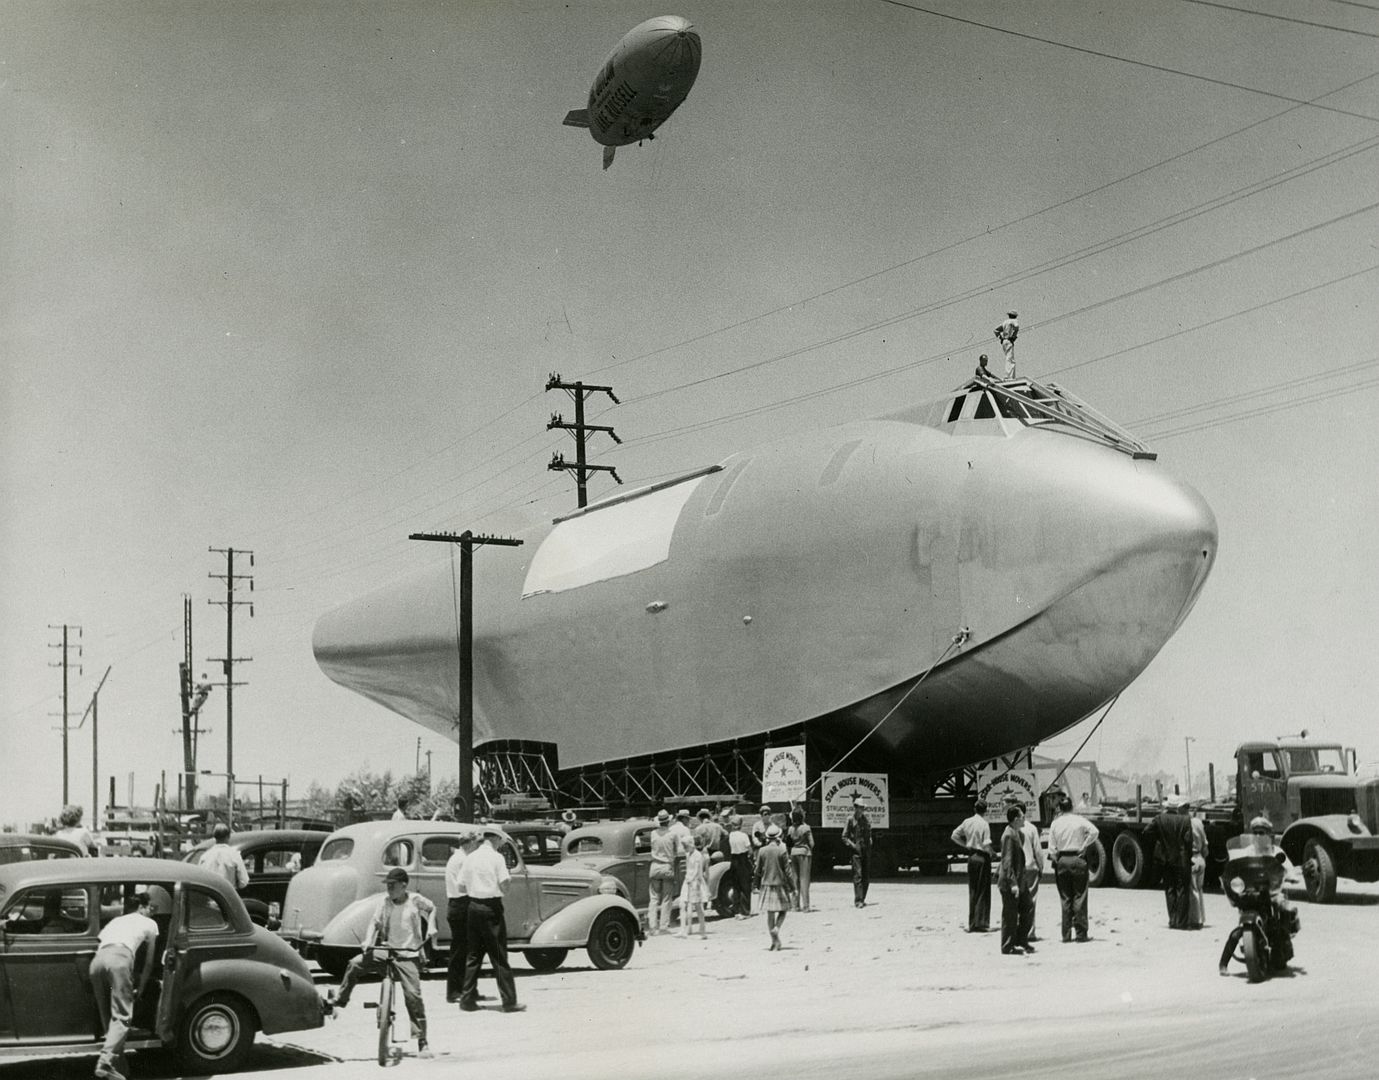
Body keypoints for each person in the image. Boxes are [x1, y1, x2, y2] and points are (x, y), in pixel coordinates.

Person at [331, 867, 436, 1052]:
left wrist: (431, 926)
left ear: (404, 885)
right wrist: (367, 940)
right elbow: (375, 922)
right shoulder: (384, 902)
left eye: (392, 885)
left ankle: (422, 1040)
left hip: (408, 954)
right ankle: (340, 1000)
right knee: (355, 964)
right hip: (387, 951)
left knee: (413, 996)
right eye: (388, 885)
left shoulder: (415, 900)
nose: (389, 889)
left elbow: (432, 907)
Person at [90, 891, 159, 1080]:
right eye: (150, 908)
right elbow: (149, 963)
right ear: (142, 907)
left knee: (109, 1021)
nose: (152, 912)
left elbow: (101, 941)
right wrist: (142, 987)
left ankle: (119, 1071)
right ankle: (105, 1062)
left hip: (97, 962)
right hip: (120, 960)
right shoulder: (150, 923)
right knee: (122, 1017)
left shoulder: (116, 921)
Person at [457, 833, 524, 1012]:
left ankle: (467, 999)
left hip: (473, 906)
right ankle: (509, 1001)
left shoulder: (469, 858)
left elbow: (460, 886)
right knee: (499, 956)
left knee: (473, 956)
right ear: (495, 839)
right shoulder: (497, 858)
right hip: (491, 907)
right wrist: (500, 889)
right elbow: (504, 884)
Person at [1047, 794, 1099, 943]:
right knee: (1080, 896)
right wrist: (1084, 846)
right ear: (1072, 807)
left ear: (1060, 808)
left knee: (1065, 898)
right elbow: (1095, 832)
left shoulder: (1055, 824)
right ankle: (1081, 934)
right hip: (1078, 858)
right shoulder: (1079, 820)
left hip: (1062, 859)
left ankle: (1066, 934)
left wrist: (1058, 860)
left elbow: (1051, 849)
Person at [1144, 794, 1194, 928]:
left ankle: (1172, 920)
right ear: (1177, 807)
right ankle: (1181, 922)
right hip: (1181, 859)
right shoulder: (1185, 820)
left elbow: (1146, 832)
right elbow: (1188, 841)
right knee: (1182, 889)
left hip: (1165, 858)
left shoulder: (1159, 819)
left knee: (1170, 889)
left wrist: (1159, 841)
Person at [444, 829, 478, 1004]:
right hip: (461, 904)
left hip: (457, 905)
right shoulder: (462, 860)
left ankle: (466, 988)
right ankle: (455, 991)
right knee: (460, 951)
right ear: (470, 843)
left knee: (464, 949)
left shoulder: (457, 858)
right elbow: (465, 884)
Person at [950, 798, 995, 932]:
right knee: (983, 889)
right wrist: (993, 853)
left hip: (971, 857)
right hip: (982, 857)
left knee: (973, 889)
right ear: (985, 810)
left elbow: (954, 836)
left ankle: (973, 922)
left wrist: (966, 846)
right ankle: (982, 922)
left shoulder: (967, 822)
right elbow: (986, 844)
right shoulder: (984, 824)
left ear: (974, 809)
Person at [755, 823, 796, 950]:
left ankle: (774, 942)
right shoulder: (782, 850)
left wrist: (755, 885)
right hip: (780, 884)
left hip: (766, 884)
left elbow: (757, 870)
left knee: (770, 913)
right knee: (784, 910)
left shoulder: (762, 851)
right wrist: (793, 887)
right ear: (779, 836)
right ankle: (776, 929)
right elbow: (788, 871)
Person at [997, 805, 1032, 955]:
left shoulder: (1018, 833)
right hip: (1011, 883)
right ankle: (1007, 946)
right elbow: (1007, 861)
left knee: (1028, 907)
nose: (1025, 819)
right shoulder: (1008, 836)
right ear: (1016, 819)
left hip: (1020, 880)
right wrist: (1013, 884)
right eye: (1023, 816)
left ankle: (1021, 940)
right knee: (1010, 915)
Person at [647, 809, 680, 934]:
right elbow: (677, 851)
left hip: (655, 865)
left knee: (654, 898)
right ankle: (663, 926)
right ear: (668, 821)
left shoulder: (653, 834)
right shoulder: (672, 834)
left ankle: (652, 925)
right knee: (666, 898)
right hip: (667, 865)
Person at [842, 793, 872, 908]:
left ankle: (863, 898)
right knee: (858, 875)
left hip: (866, 850)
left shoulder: (866, 820)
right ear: (855, 807)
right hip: (856, 852)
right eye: (859, 807)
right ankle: (858, 900)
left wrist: (869, 844)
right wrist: (853, 846)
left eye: (863, 808)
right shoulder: (850, 820)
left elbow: (869, 834)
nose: (861, 810)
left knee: (866, 876)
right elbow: (844, 836)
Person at [678, 833, 710, 939]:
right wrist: (688, 879)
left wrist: (692, 880)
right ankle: (683, 930)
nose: (684, 848)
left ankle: (703, 931)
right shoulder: (688, 855)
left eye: (685, 846)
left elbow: (697, 870)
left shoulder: (697, 855)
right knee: (682, 905)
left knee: (698, 907)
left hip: (695, 882)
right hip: (688, 881)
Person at [787, 806, 814, 912]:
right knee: (804, 879)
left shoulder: (790, 829)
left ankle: (795, 905)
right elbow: (812, 843)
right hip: (804, 853)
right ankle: (806, 906)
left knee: (795, 879)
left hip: (793, 852)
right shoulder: (806, 828)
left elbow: (788, 843)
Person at [1188, 806, 1209, 930]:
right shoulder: (1198, 823)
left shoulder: (1185, 824)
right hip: (1200, 858)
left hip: (1192, 858)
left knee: (1193, 890)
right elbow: (1205, 845)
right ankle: (1202, 917)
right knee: (1200, 889)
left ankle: (1195, 920)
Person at [728, 815, 753, 918]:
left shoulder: (731, 835)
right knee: (745, 886)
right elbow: (750, 850)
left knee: (736, 886)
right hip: (743, 859)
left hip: (734, 860)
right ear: (741, 825)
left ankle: (737, 910)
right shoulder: (744, 836)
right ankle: (745, 911)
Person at [994, 311, 1019, 377]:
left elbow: (996, 330)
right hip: (1009, 340)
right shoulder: (1013, 321)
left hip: (1004, 341)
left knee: (1008, 357)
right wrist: (1014, 336)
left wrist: (1000, 337)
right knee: (1010, 359)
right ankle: (1009, 376)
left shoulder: (1005, 322)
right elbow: (1017, 326)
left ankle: (1009, 375)